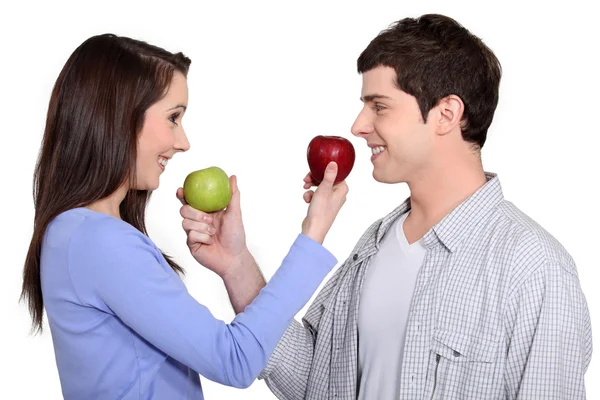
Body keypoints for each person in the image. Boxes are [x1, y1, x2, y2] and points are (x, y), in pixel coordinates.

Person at [256, 14, 593, 399]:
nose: (358, 126)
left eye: (379, 107)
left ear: (446, 114)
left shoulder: (533, 268)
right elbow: (317, 384)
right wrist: (234, 263)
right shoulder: (374, 245)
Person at [21, 33, 348, 399]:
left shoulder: (72, 232)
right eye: (173, 118)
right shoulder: (100, 240)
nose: (183, 142)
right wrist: (313, 232)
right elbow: (234, 360)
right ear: (120, 116)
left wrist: (234, 262)